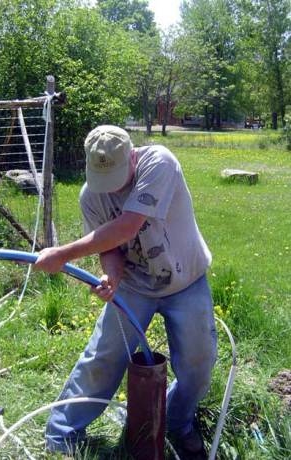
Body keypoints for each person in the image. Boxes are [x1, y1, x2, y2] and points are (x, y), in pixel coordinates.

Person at [35, 125, 217, 459]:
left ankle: (176, 420)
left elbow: (127, 225)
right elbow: (110, 247)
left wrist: (62, 254)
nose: (111, 186)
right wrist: (112, 276)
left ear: (132, 156)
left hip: (186, 282)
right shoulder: (91, 195)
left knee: (198, 361)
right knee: (102, 357)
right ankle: (62, 433)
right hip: (134, 286)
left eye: (117, 174)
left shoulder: (159, 162)